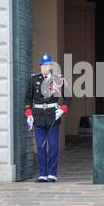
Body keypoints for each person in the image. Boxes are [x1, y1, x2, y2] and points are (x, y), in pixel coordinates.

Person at [24, 53, 71, 182]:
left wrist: (63, 109)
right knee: (40, 146)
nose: (45, 67)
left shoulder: (58, 79)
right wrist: (28, 113)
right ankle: (43, 174)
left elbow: (67, 96)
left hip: (52, 115)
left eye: (47, 65)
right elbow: (28, 97)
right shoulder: (34, 79)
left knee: (53, 146)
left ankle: (52, 173)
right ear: (40, 66)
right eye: (43, 65)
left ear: (51, 66)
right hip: (38, 115)